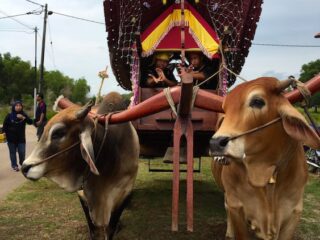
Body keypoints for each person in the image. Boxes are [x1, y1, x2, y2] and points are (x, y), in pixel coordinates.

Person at [2, 101, 33, 171]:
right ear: (14, 107)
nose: (18, 107)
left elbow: (30, 122)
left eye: (20, 106)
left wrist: (23, 118)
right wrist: (4, 132)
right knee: (12, 153)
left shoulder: (24, 114)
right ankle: (14, 165)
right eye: (17, 106)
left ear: (22, 107)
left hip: (21, 138)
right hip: (11, 138)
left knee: (22, 152)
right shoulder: (9, 115)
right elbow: (5, 125)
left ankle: (22, 163)